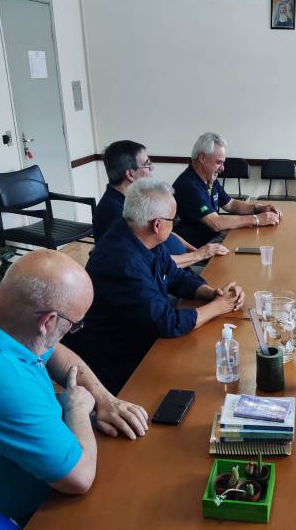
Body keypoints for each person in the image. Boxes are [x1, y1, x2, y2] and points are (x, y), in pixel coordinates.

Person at [0, 250, 149, 525]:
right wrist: (77, 409)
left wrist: (104, 399)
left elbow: (54, 351)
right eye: (75, 324)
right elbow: (79, 478)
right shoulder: (5, 383)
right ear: (47, 321)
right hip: (20, 523)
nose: (72, 330)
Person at [64, 178, 245, 395]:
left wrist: (212, 293)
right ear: (157, 225)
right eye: (174, 219)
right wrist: (219, 306)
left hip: (142, 334)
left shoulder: (141, 236)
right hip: (116, 359)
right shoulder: (122, 262)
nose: (175, 224)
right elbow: (166, 322)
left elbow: (175, 276)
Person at [94, 140, 228, 267]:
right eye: (147, 164)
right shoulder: (113, 212)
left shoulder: (137, 199)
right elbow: (150, 262)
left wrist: (197, 252)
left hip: (185, 262)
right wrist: (199, 255)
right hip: (168, 273)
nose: (152, 168)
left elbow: (168, 233)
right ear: (130, 175)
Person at [173, 132, 282, 248]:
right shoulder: (188, 185)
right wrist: (257, 219)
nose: (222, 168)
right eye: (218, 162)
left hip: (213, 239)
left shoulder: (209, 178)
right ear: (202, 158)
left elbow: (231, 204)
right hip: (199, 248)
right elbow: (216, 223)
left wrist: (258, 208)